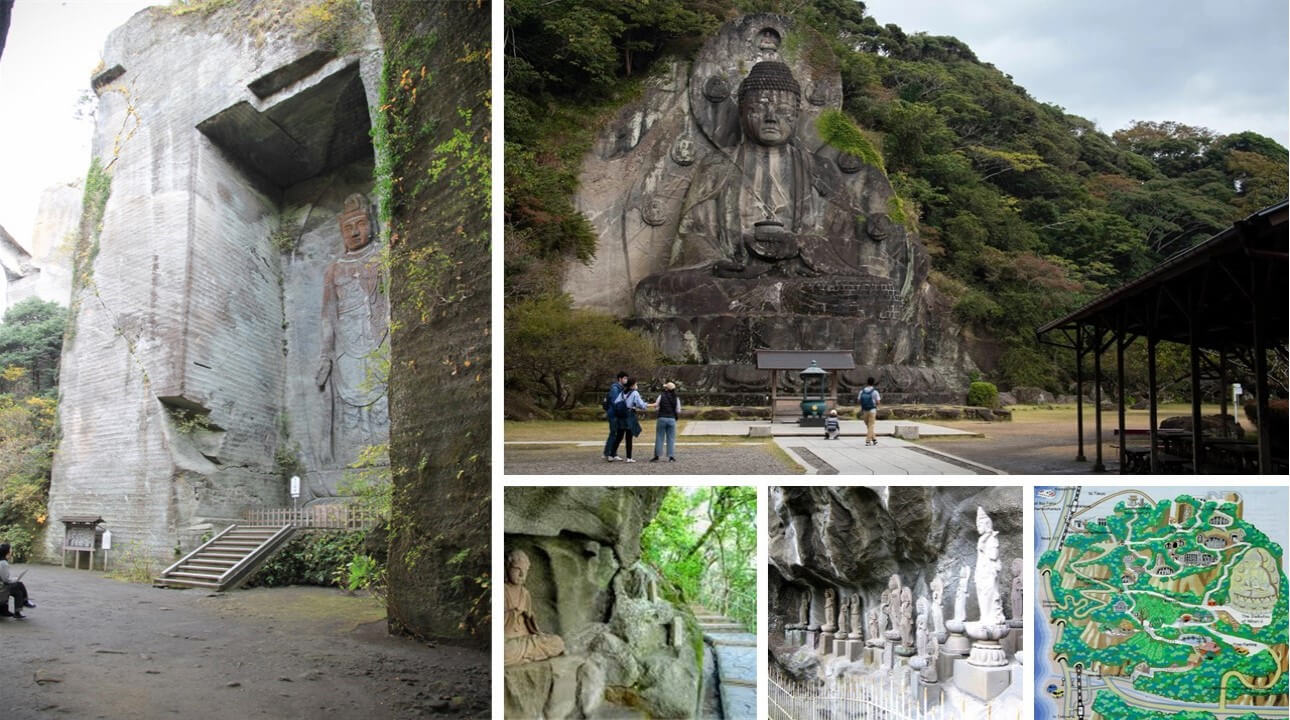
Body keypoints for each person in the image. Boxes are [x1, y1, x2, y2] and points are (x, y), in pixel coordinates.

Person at [503, 549, 565, 666]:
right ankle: (527, 656)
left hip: (525, 639)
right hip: (508, 640)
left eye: (524, 571)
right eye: (517, 569)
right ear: (507, 568)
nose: (521, 575)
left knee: (558, 642)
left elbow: (530, 624)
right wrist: (512, 613)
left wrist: (530, 618)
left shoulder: (525, 593)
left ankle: (525, 656)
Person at [610, 378, 648, 463]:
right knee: (629, 437)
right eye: (636, 384)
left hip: (621, 416)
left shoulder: (622, 393)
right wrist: (646, 405)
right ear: (632, 385)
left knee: (619, 436)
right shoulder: (635, 393)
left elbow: (616, 402)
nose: (636, 385)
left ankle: (611, 455)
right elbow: (641, 405)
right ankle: (629, 457)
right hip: (630, 416)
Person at [0, 542, 35, 619]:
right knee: (19, 584)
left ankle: (18, 611)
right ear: (7, 552)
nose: (11, 551)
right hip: (1, 589)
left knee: (18, 591)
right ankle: (24, 602)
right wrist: (15, 579)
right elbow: (6, 580)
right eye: (10, 549)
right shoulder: (3, 563)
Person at [649, 382, 681, 462]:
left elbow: (656, 407)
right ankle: (671, 457)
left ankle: (657, 456)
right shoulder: (676, 398)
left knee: (659, 437)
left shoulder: (661, 396)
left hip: (662, 418)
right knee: (671, 438)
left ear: (666, 389)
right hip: (671, 419)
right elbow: (678, 410)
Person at [603, 371, 629, 461]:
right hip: (614, 414)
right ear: (620, 379)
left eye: (627, 378)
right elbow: (615, 402)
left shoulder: (621, 388)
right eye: (625, 378)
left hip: (617, 414)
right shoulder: (615, 388)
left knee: (616, 434)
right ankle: (609, 453)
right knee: (614, 433)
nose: (626, 380)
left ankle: (611, 452)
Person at [858, 377, 881, 446]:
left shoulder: (862, 391)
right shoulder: (875, 392)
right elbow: (878, 401)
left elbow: (859, 400)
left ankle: (873, 439)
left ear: (867, 382)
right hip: (872, 410)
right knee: (870, 425)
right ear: (873, 383)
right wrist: (875, 405)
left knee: (868, 424)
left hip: (865, 410)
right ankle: (869, 440)